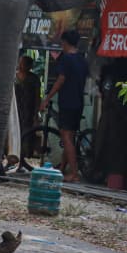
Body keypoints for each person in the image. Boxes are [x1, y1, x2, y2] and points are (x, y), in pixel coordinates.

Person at [41, 29, 88, 182]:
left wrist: (47, 98)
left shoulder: (66, 59)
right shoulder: (82, 59)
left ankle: (74, 174)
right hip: (78, 102)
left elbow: (61, 80)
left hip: (68, 102)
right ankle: (62, 169)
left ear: (65, 42)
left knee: (66, 137)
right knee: (70, 137)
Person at [13, 54, 42, 170]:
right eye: (20, 63)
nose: (21, 65)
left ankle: (22, 161)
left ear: (29, 66)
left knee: (25, 138)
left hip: (28, 113)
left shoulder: (34, 79)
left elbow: (37, 97)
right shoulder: (13, 77)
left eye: (24, 64)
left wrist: (36, 114)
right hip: (15, 112)